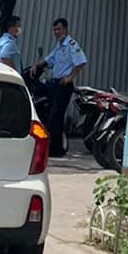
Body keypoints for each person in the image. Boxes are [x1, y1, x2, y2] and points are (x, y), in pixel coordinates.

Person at [37, 16, 87, 157]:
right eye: (54, 30)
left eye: (59, 29)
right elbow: (49, 59)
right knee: (53, 116)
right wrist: (36, 66)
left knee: (55, 117)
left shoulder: (71, 45)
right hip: (55, 84)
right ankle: (56, 148)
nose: (56, 32)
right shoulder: (59, 46)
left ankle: (55, 150)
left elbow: (81, 61)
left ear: (65, 29)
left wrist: (70, 77)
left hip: (64, 86)